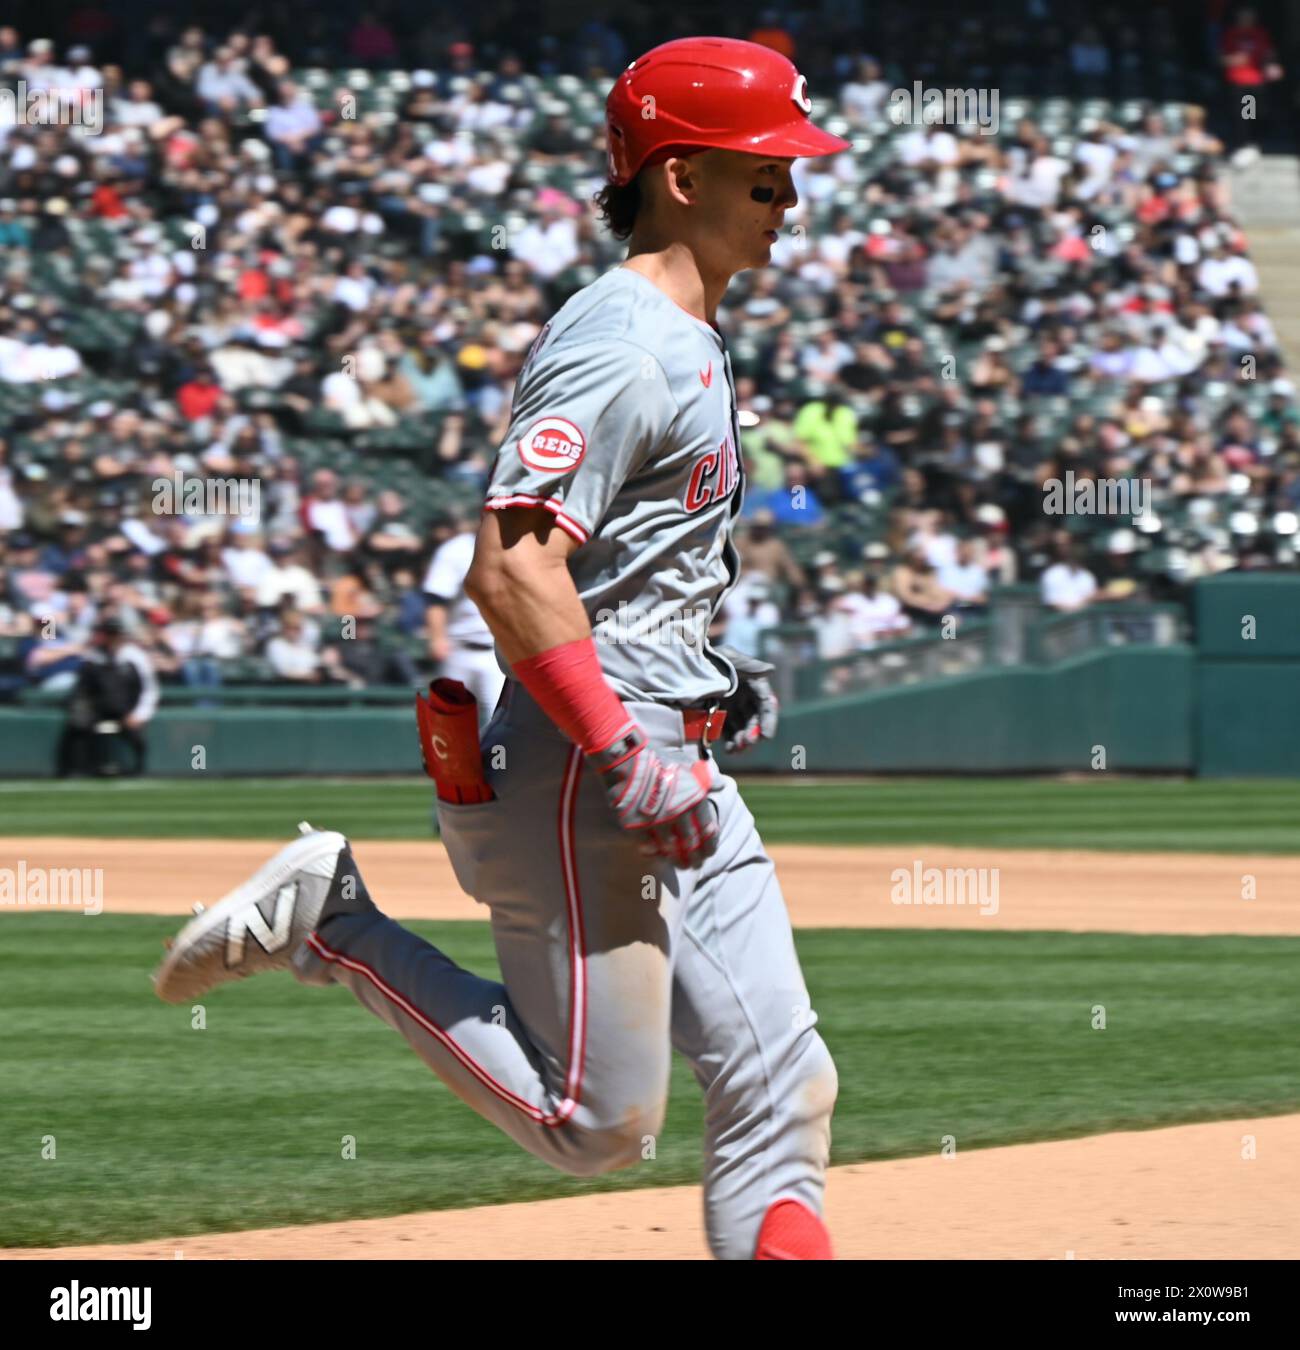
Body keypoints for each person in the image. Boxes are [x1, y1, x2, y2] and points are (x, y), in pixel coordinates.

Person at [155, 37, 842, 1262]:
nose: (788, 201)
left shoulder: (682, 332)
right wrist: (627, 742)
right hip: (594, 766)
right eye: (764, 175)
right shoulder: (624, 338)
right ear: (679, 177)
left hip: (668, 757)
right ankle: (333, 922)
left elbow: (619, 566)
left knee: (781, 1086)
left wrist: (706, 680)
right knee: (595, 1123)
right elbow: (513, 565)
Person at [422, 511, 505, 731]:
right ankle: (448, 767)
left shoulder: (517, 547)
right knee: (448, 724)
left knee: (498, 725)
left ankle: (493, 766)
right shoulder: (456, 550)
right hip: (458, 650)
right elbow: (435, 598)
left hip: (498, 653)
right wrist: (437, 638)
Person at [56, 614, 158, 776]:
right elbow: (84, 689)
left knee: (136, 737)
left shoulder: (135, 658)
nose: (112, 638)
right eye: (109, 634)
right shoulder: (94, 657)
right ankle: (78, 768)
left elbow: (147, 689)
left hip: (126, 710)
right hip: (97, 709)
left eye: (115, 634)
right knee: (79, 723)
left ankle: (138, 768)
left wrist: (137, 714)